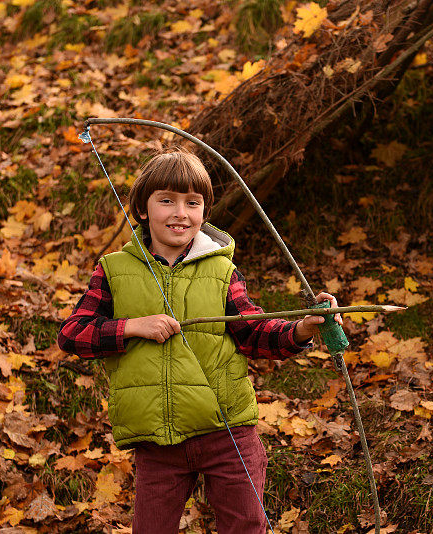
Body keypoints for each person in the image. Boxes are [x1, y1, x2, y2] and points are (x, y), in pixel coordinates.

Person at [57, 146, 341, 533]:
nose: (180, 213)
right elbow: (72, 334)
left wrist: (303, 329)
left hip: (227, 434)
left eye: (193, 202)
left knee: (246, 527)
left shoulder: (222, 269)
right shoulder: (114, 269)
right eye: (167, 201)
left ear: (205, 212)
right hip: (157, 443)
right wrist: (132, 326)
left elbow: (253, 332)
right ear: (142, 209)